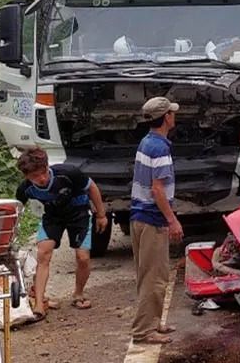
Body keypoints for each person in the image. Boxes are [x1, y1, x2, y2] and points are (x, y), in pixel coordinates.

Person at [15, 147, 108, 320]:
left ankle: (78, 295)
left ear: (47, 166)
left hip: (79, 213)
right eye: (35, 176)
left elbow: (92, 188)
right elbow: (16, 210)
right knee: (43, 253)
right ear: (26, 176)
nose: (41, 179)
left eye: (43, 173)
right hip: (53, 216)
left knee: (83, 258)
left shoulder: (68, 173)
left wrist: (101, 214)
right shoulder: (25, 189)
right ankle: (39, 303)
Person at [130, 96, 184, 344]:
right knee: (155, 277)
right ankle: (144, 331)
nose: (174, 116)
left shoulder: (146, 142)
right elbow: (158, 190)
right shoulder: (160, 148)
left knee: (148, 274)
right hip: (152, 219)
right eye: (171, 113)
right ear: (166, 118)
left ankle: (153, 322)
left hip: (139, 216)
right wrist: (172, 220)